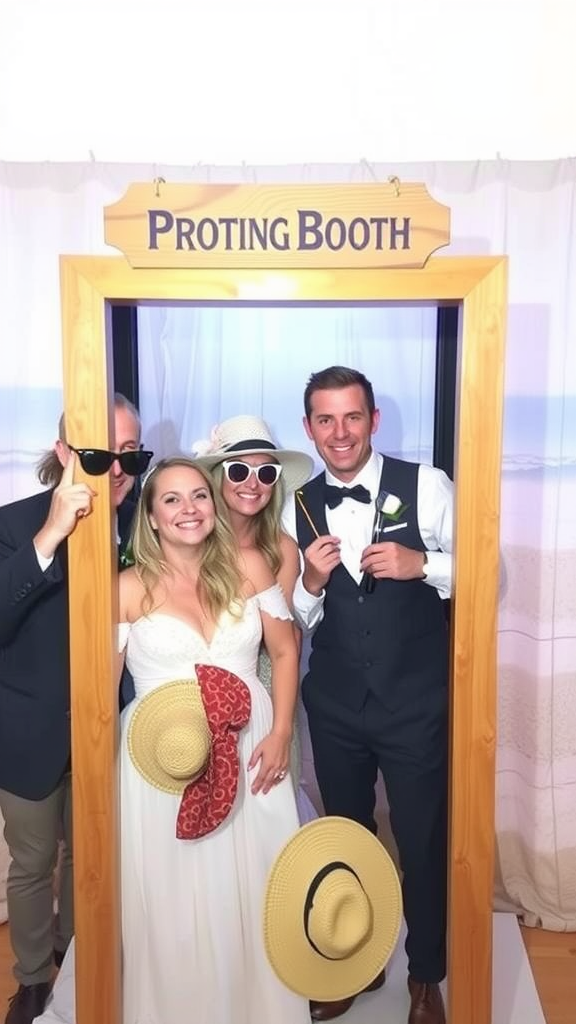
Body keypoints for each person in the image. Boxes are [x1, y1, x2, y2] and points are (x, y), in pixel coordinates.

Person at [37, 457, 310, 1024]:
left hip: (252, 746)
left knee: (257, 887)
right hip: (161, 762)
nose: (190, 509)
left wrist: (282, 730)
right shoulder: (124, 589)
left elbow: (284, 651)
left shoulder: (253, 565)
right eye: (172, 500)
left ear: (214, 506)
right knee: (172, 897)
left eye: (199, 497)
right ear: (152, 519)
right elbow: (98, 696)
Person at [283, 366, 453, 1024]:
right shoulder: (294, 503)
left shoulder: (426, 484)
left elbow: (482, 566)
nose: (340, 432)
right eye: (325, 420)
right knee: (346, 838)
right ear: (309, 429)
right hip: (334, 708)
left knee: (421, 837)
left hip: (415, 703)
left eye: (352, 417)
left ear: (374, 420)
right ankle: (358, 957)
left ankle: (426, 975)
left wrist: (425, 565)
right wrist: (314, 584)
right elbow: (291, 619)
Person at [0, 394, 150, 1024]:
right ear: (64, 453)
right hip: (30, 731)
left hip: (112, 732)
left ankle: (76, 957)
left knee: (93, 858)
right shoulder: (14, 524)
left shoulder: (149, 522)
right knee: (33, 863)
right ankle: (34, 979)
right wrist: (50, 536)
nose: (117, 468)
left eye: (131, 454)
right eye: (97, 454)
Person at [193, 414, 315, 812]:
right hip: (194, 696)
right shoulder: (189, 537)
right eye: (240, 469)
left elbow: (285, 643)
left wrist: (280, 731)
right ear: (217, 477)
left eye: (266, 473)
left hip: (264, 688)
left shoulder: (282, 549)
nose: (253, 482)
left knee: (265, 808)